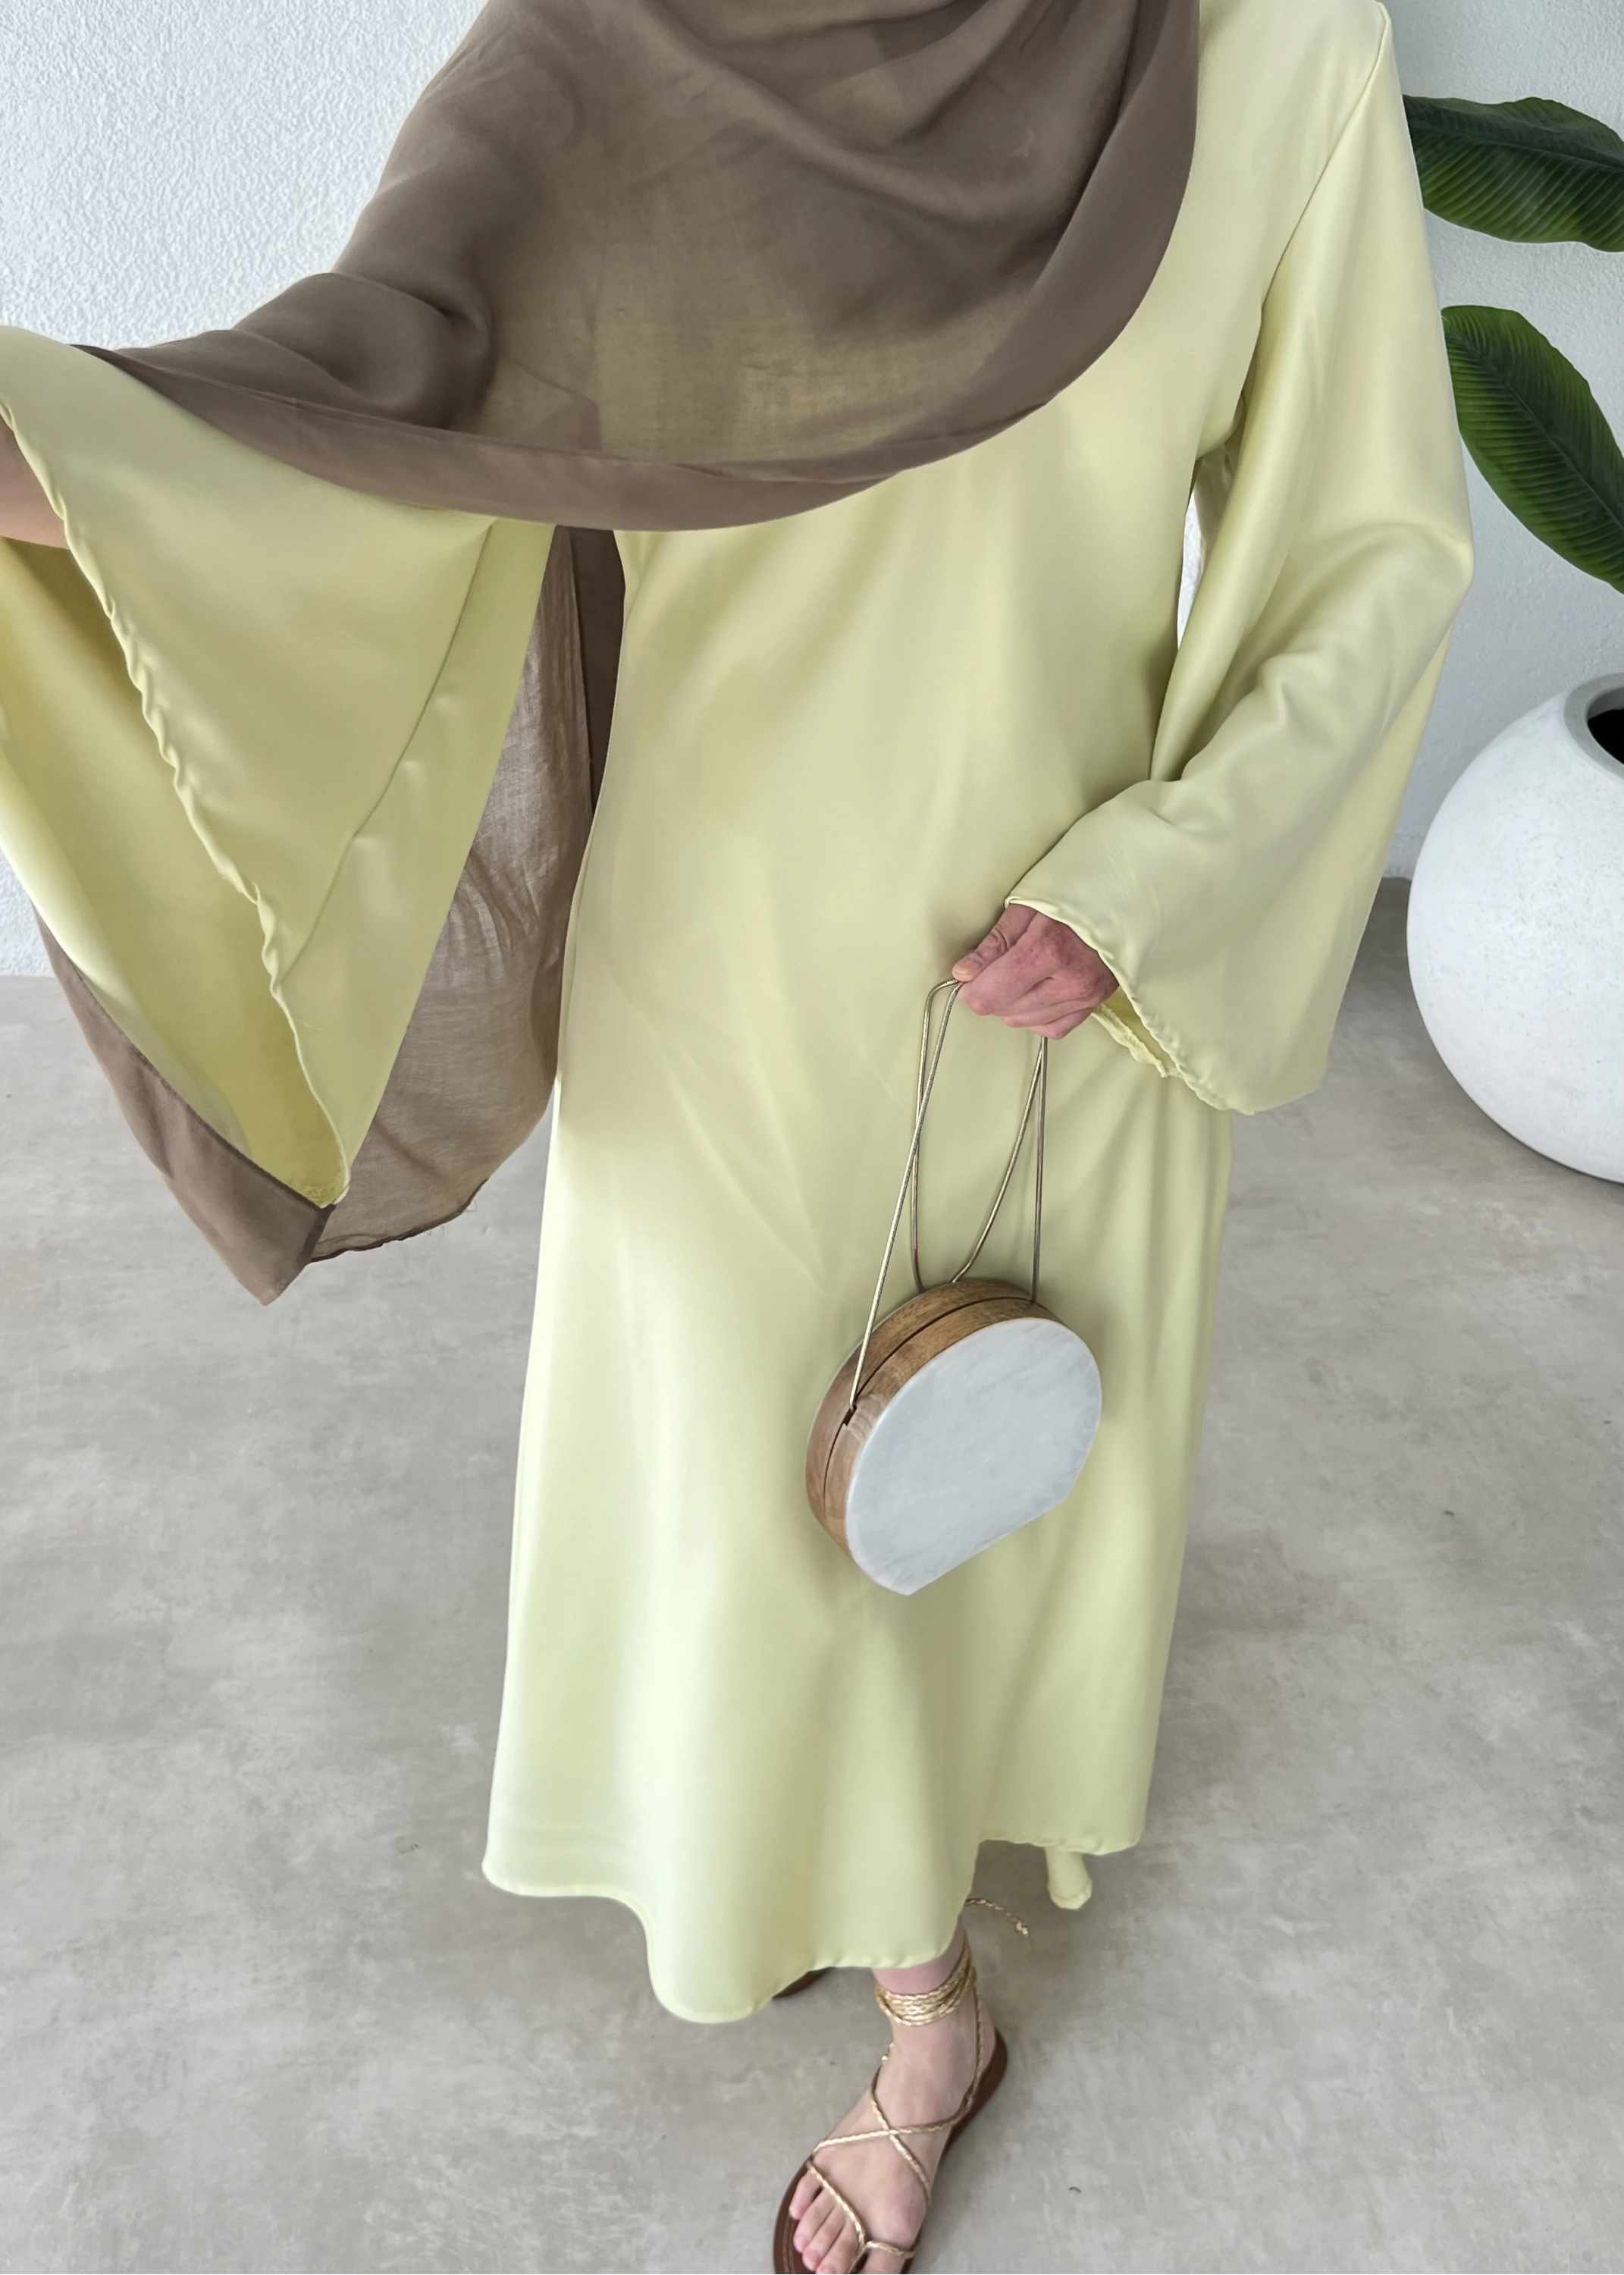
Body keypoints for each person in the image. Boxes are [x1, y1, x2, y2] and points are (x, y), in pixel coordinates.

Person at [0, 0, 1472, 2266]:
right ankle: (893, 1954)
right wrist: (69, 478)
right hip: (722, 958)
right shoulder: (627, 37)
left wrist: (1162, 883)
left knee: (961, 1486)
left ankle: (915, 1996)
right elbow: (366, 411)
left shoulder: (1267, 44)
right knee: (751, 1487)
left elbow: (1369, 543)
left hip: (1066, 951)